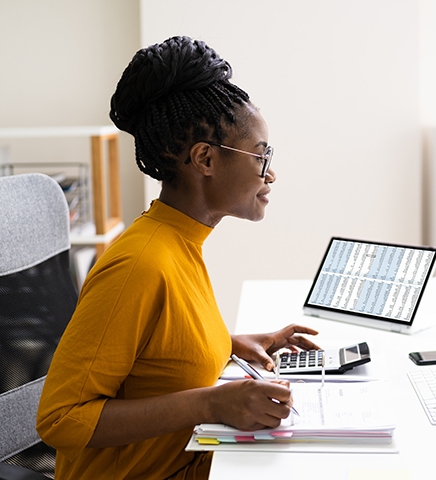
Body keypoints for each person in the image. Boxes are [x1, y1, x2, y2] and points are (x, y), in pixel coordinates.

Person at [36, 36, 320, 480]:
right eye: (262, 155)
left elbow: (159, 351)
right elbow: (59, 419)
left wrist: (229, 344)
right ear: (205, 158)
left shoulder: (181, 242)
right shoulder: (140, 265)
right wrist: (210, 402)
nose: (271, 173)